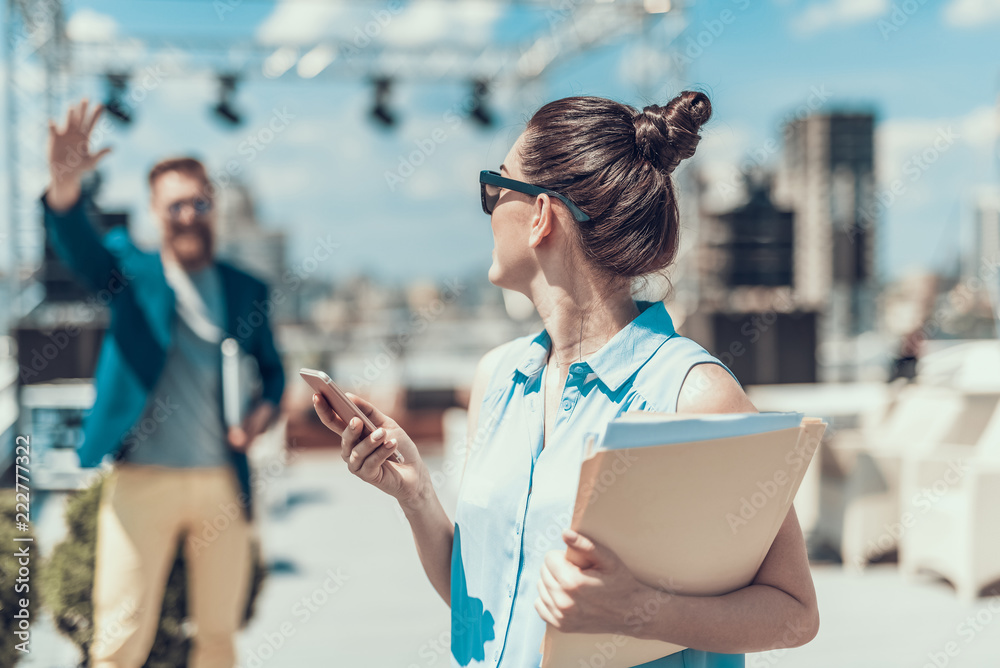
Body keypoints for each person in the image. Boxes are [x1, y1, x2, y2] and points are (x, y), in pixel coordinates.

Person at [312, 91, 819, 667]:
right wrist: (417, 496)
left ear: (540, 217)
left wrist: (637, 610)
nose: (486, 206)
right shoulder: (498, 378)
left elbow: (793, 612)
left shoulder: (693, 394)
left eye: (494, 186)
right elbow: (484, 603)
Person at [43, 100, 285, 668]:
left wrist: (261, 415)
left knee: (219, 640)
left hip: (221, 484)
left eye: (199, 202)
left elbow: (273, 371)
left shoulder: (245, 288)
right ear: (155, 211)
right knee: (119, 639)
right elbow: (79, 247)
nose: (188, 214)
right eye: (174, 205)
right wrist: (63, 186)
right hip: (140, 481)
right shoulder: (132, 271)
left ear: (212, 206)